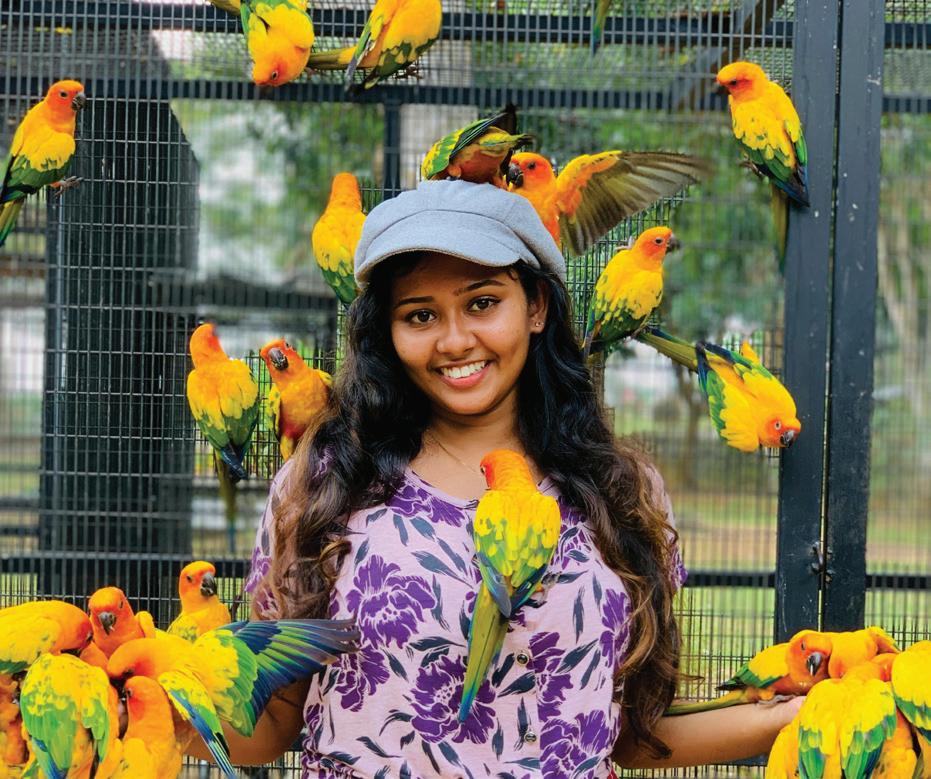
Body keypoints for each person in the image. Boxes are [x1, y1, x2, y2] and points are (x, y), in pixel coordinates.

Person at [197, 179, 800, 776]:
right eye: (420, 315)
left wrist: (795, 715)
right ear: (388, 331)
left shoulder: (620, 489)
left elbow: (626, 732)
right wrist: (161, 711)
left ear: (535, 306)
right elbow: (273, 721)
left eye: (482, 303)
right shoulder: (323, 482)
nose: (455, 340)